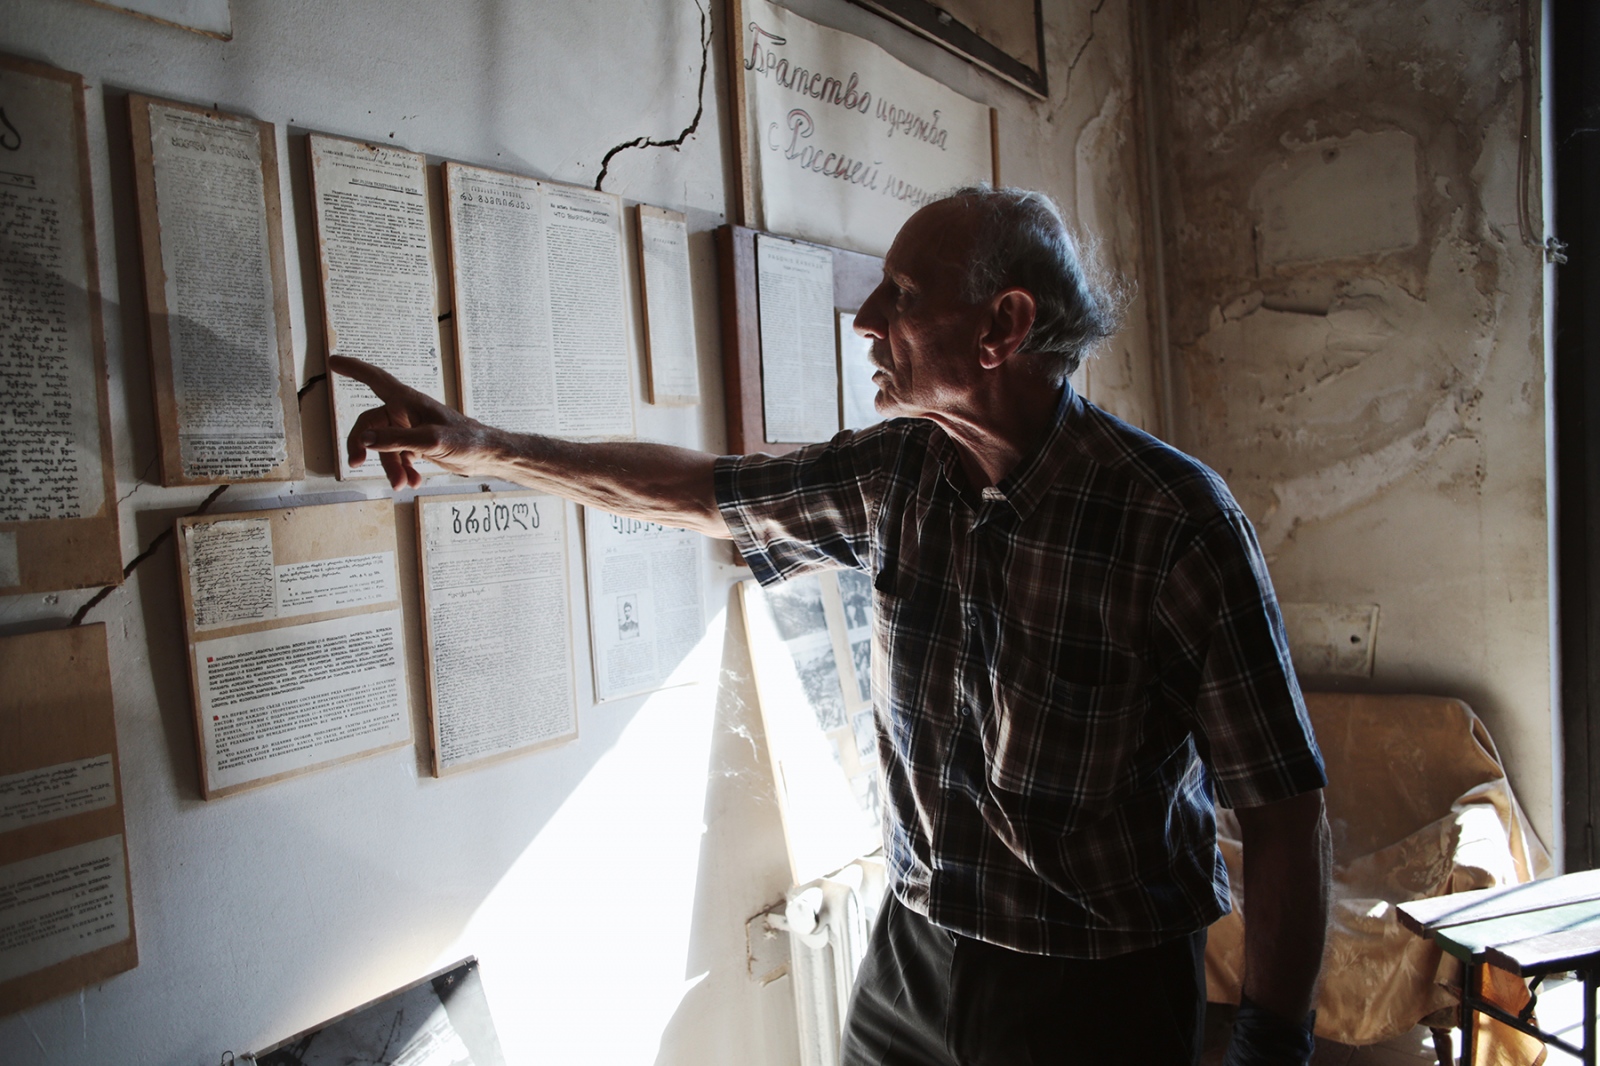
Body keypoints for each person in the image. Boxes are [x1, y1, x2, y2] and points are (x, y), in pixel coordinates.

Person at [331, 185, 1331, 1065]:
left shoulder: (1174, 521)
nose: (863, 321)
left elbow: (1283, 808)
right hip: (913, 959)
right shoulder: (898, 474)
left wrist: (1271, 1047)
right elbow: (701, 490)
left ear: (1003, 326)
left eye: (899, 296)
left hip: (1092, 990)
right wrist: (478, 444)